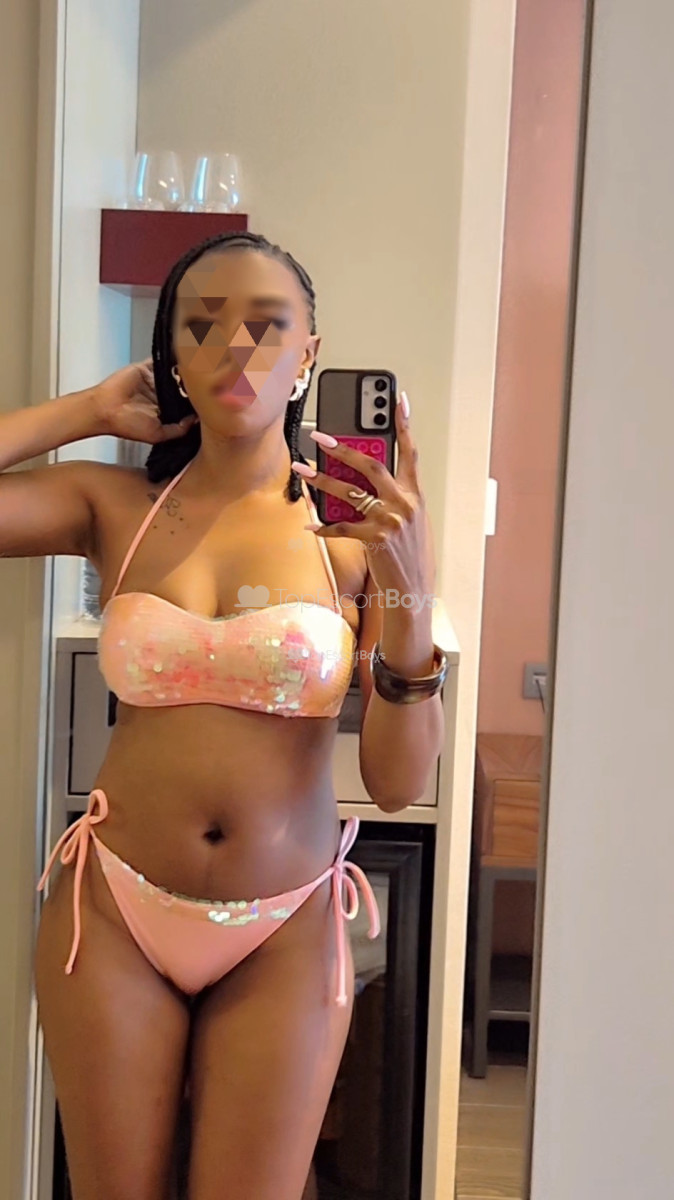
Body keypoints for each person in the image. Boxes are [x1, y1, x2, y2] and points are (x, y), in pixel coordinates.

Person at [1, 230, 445, 1199]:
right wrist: (85, 411)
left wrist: (411, 590)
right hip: (112, 911)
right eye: (201, 326)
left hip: (285, 926)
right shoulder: (113, 505)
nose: (234, 348)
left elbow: (397, 782)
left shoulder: (355, 538)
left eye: (265, 324)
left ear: (309, 354)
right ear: (169, 356)